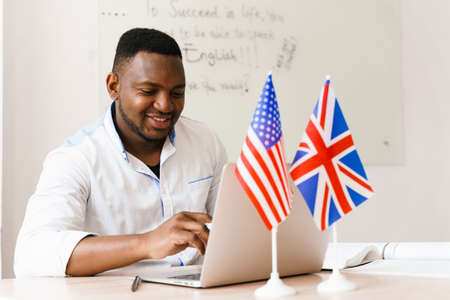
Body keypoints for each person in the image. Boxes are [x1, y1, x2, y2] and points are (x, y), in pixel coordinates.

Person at [14, 28, 228, 277]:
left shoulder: (205, 141)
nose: (165, 105)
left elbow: (231, 230)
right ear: (114, 86)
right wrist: (147, 243)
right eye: (148, 91)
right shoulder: (76, 158)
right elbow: (31, 256)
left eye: (177, 93)